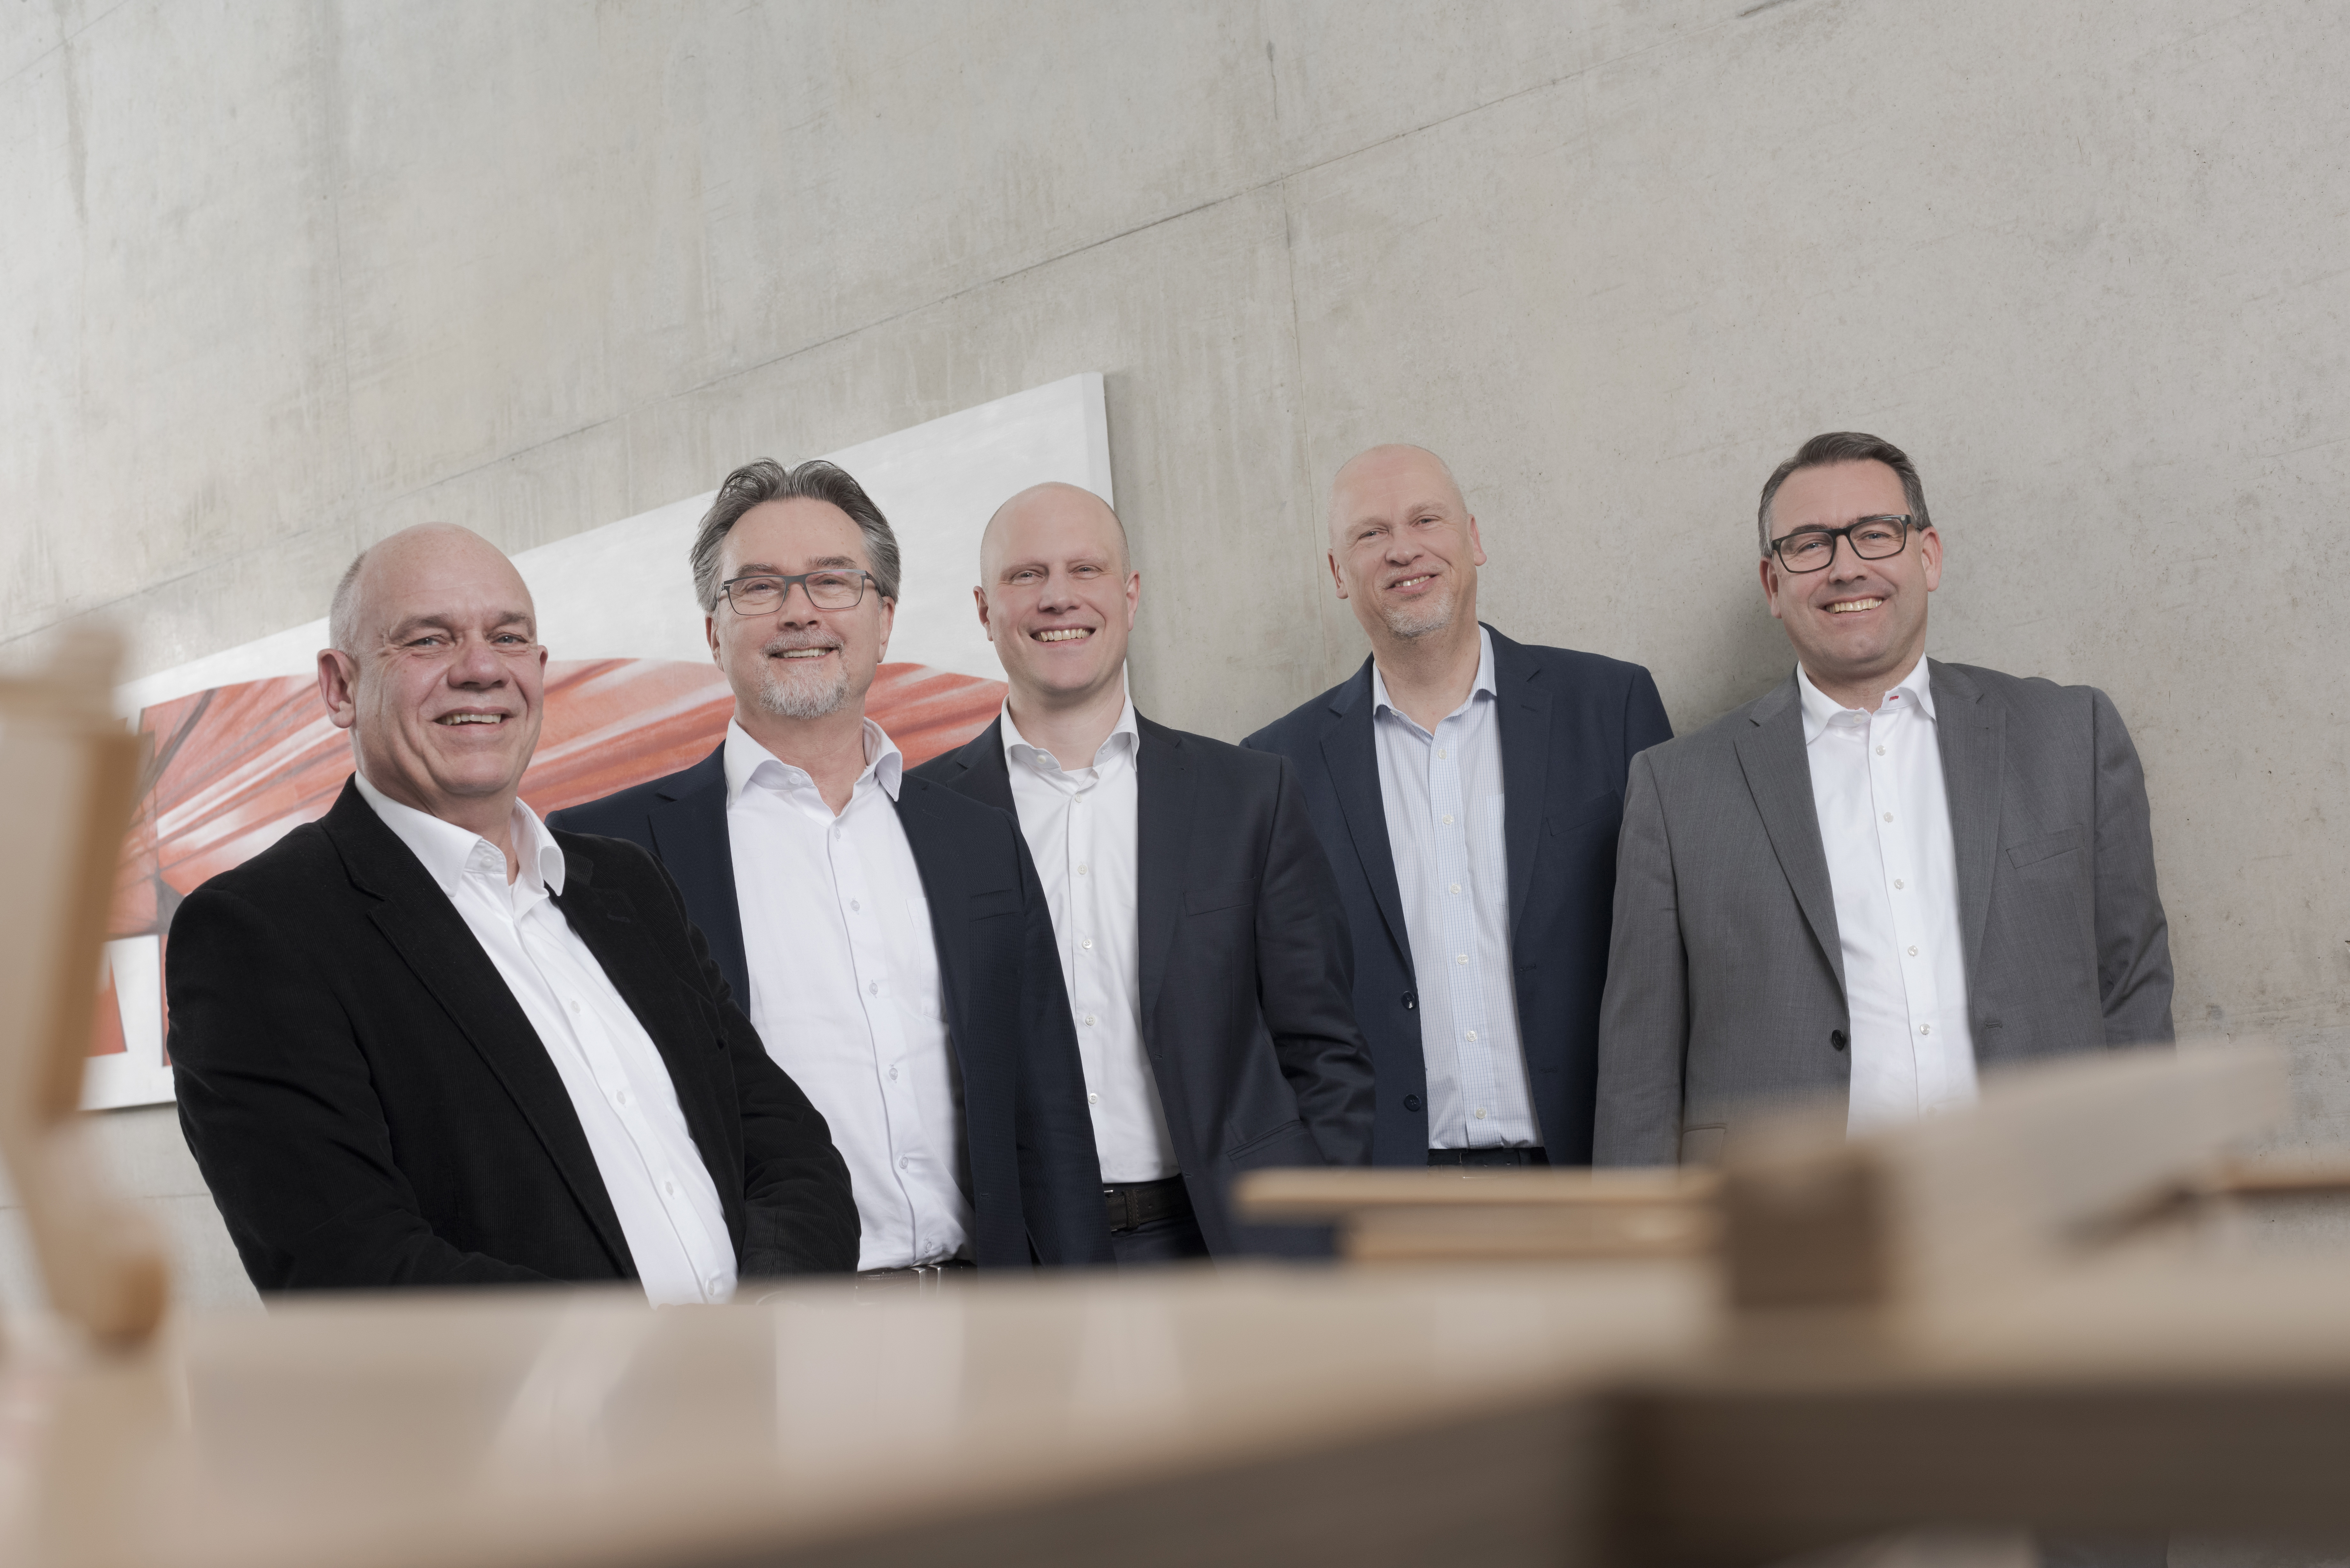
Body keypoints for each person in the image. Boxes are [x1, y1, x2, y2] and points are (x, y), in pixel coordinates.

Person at [168, 524, 859, 1296]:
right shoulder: (258, 932)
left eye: (507, 637)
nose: (481, 669)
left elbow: (787, 1148)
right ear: (340, 686)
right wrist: (666, 1364)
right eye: (428, 639)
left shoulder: (628, 885)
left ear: (538, 668)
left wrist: (764, 1330)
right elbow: (354, 1271)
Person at [551, 460, 1111, 1274]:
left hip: (990, 1313)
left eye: (832, 581)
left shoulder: (978, 838)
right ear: (713, 632)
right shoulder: (611, 854)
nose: (799, 611)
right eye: (759, 587)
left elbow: (1048, 1110)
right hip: (769, 1323)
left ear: (883, 620)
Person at [1595, 432, 2174, 1165]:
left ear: (1926, 556)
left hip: (2042, 1194)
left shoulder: (2070, 735)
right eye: (1809, 545)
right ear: (1772, 585)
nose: (1845, 567)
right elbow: (1638, 1074)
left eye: (1874, 533)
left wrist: (2145, 1184)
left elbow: (2132, 989)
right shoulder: (1675, 788)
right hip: (1792, 1214)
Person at [912, 483, 1374, 1263]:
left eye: (1084, 569)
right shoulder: (921, 816)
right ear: (985, 610)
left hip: (1230, 1249)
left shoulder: (1248, 795)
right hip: (1025, 1259)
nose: (1058, 596)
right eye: (1026, 574)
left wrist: (1312, 1228)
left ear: (1129, 596)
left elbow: (1324, 1048)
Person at [1245, 445, 1673, 1168]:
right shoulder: (1274, 768)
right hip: (1390, 1192)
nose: (1402, 549)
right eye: (1370, 533)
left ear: (1472, 539)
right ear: (1338, 574)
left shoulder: (1611, 706)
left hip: (1593, 1173)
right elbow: (1277, 1009)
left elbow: (1676, 957)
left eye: (1426, 520)